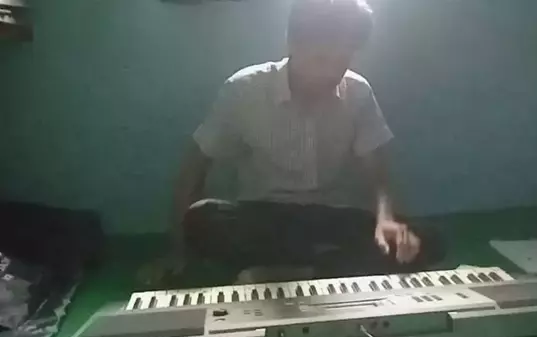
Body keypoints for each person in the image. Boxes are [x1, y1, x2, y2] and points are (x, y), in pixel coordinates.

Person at [146, 0, 444, 285]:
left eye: (342, 61)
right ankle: (330, 268)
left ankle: (290, 272)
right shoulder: (244, 90)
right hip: (263, 218)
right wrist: (178, 252)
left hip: (330, 219)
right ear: (291, 43)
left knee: (427, 240)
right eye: (321, 60)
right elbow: (194, 167)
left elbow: (379, 176)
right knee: (201, 218)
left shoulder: (358, 92)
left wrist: (386, 219)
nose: (331, 73)